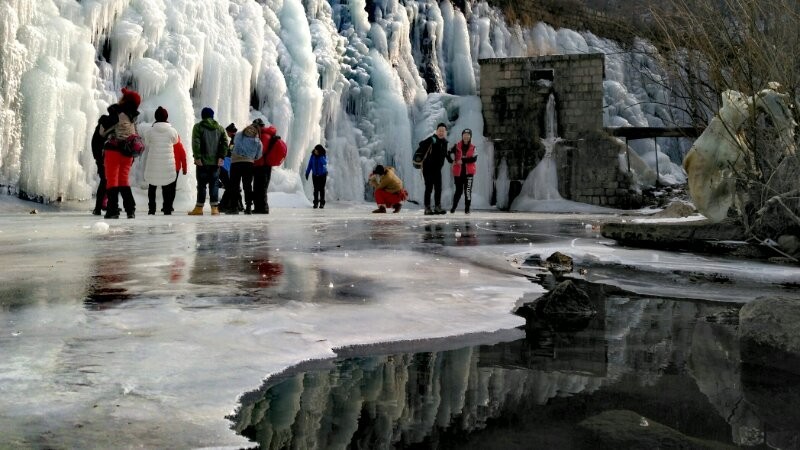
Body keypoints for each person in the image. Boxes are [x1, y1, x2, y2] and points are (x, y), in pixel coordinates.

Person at [100, 87, 141, 219]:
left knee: (112, 180)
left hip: (114, 152)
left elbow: (103, 132)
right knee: (124, 180)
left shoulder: (118, 114)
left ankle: (112, 210)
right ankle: (130, 209)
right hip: (128, 153)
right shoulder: (133, 117)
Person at [189, 107, 228, 215]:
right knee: (214, 184)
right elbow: (225, 143)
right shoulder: (220, 128)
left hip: (202, 162)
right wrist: (221, 156)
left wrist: (197, 157)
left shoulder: (198, 127)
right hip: (215, 162)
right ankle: (214, 208)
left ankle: (199, 208)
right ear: (212, 116)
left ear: (203, 116)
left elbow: (196, 143)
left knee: (201, 185)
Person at [143, 107, 180, 215]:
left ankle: (152, 209)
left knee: (152, 187)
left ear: (156, 117)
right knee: (167, 186)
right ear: (166, 117)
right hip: (167, 163)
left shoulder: (149, 131)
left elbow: (147, 143)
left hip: (153, 163)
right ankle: (167, 208)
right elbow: (176, 141)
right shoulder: (172, 130)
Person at [229, 121, 263, 214]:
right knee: (247, 186)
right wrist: (251, 157)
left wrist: (233, 153)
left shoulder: (239, 134)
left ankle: (234, 207)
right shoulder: (257, 140)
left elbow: (233, 145)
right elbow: (259, 155)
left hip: (235, 163)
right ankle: (248, 207)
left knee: (234, 185)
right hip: (248, 164)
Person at [417, 122, 449, 215]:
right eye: (439, 130)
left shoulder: (445, 142)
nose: (441, 132)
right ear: (436, 131)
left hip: (437, 169)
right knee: (429, 188)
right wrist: (431, 140)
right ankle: (427, 208)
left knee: (438, 188)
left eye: (443, 131)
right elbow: (421, 144)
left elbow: (445, 154)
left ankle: (437, 207)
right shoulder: (432, 138)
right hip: (428, 169)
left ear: (445, 132)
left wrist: (451, 160)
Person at [449, 128, 478, 214]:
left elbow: (474, 159)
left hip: (469, 173)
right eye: (464, 135)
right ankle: (453, 208)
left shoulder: (473, 148)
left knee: (468, 191)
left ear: (470, 136)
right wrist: (452, 161)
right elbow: (448, 153)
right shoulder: (456, 146)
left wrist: (463, 161)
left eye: (468, 135)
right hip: (458, 172)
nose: (466, 136)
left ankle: (467, 209)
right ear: (462, 136)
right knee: (458, 191)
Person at [253, 120, 278, 214]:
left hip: (261, 165)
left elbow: (261, 152)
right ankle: (261, 207)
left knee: (259, 188)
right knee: (262, 187)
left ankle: (262, 208)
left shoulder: (264, 136)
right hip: (266, 165)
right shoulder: (268, 134)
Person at [218, 123, 241, 214]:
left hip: (230, 166)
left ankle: (225, 205)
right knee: (233, 186)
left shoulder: (234, 139)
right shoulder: (236, 138)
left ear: (230, 132)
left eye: (227, 132)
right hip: (231, 165)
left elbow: (230, 152)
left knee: (230, 187)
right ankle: (237, 205)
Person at [305, 144, 328, 209]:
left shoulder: (323, 156)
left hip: (322, 175)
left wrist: (320, 157)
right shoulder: (312, 156)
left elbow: (325, 163)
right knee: (316, 190)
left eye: (316, 150)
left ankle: (322, 203)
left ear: (319, 151)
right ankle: (315, 203)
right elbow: (310, 165)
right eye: (315, 150)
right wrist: (307, 172)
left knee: (321, 189)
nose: (315, 151)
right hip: (315, 175)